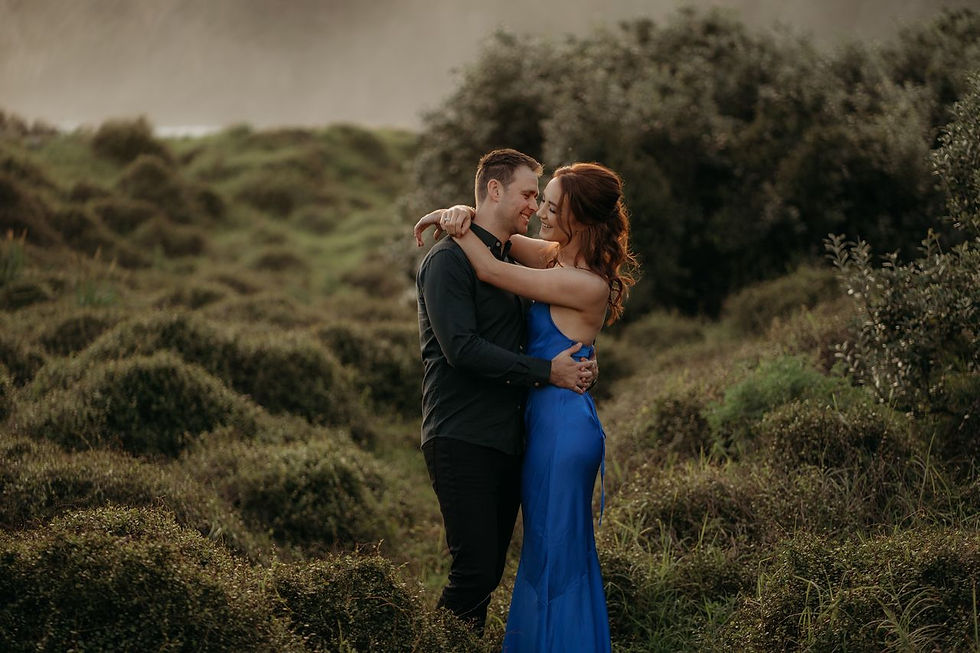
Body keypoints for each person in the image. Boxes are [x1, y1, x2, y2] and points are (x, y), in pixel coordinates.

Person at [416, 160, 637, 652]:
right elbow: (500, 238)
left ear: (578, 219)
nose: (539, 211)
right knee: (534, 556)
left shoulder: (583, 281)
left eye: (551, 205)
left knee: (556, 556)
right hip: (533, 425)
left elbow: (492, 267)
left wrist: (456, 223)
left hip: (560, 430)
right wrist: (455, 213)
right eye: (535, 199)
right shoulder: (554, 257)